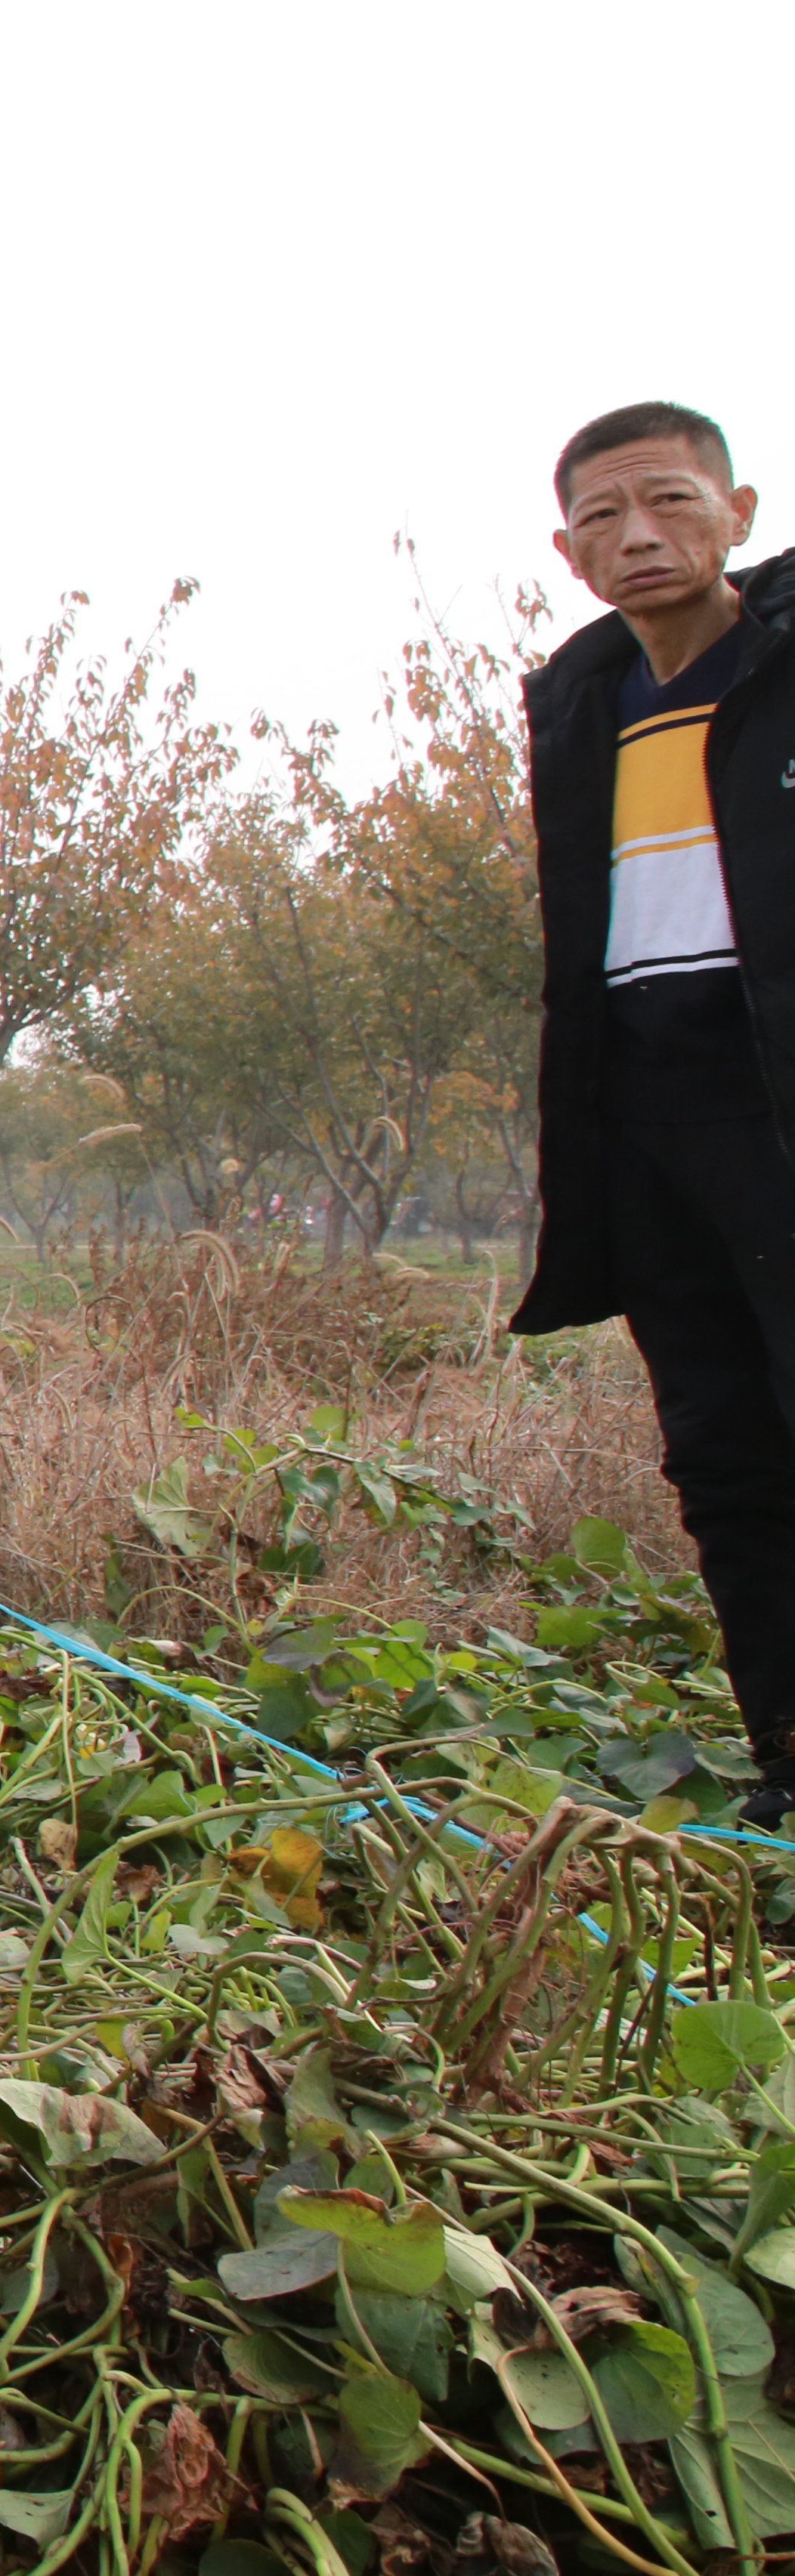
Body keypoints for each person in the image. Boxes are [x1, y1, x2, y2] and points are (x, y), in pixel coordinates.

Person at [509, 403, 795, 1827]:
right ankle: (788, 1772)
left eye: (672, 504)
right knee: (729, 1464)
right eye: (606, 519)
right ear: (569, 553)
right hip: (654, 1132)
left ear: (738, 511)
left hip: (777, 1116)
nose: (641, 538)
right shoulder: (586, 708)